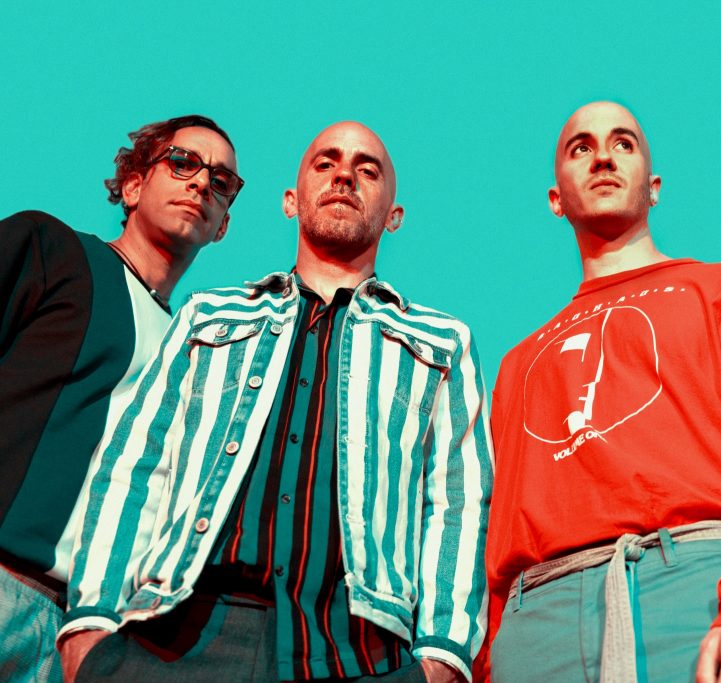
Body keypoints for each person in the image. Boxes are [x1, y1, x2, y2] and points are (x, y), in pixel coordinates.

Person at [56, 121, 492, 683]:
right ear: (290, 201)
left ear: (394, 215)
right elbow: (136, 463)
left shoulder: (441, 343)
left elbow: (459, 502)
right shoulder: (209, 316)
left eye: (367, 169)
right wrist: (89, 630)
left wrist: (443, 660)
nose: (344, 175)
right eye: (325, 163)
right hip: (178, 639)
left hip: (358, 652)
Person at [482, 101, 721, 683]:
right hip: (537, 624)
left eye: (624, 143)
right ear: (556, 199)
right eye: (581, 148)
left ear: (654, 187)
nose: (603, 158)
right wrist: (491, 660)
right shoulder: (517, 363)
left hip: (699, 593)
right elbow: (496, 537)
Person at [0, 114, 239, 683]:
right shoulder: (51, 251)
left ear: (223, 226)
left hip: (82, 644)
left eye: (221, 181)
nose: (200, 183)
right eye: (182, 163)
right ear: (133, 186)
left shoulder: (199, 360)